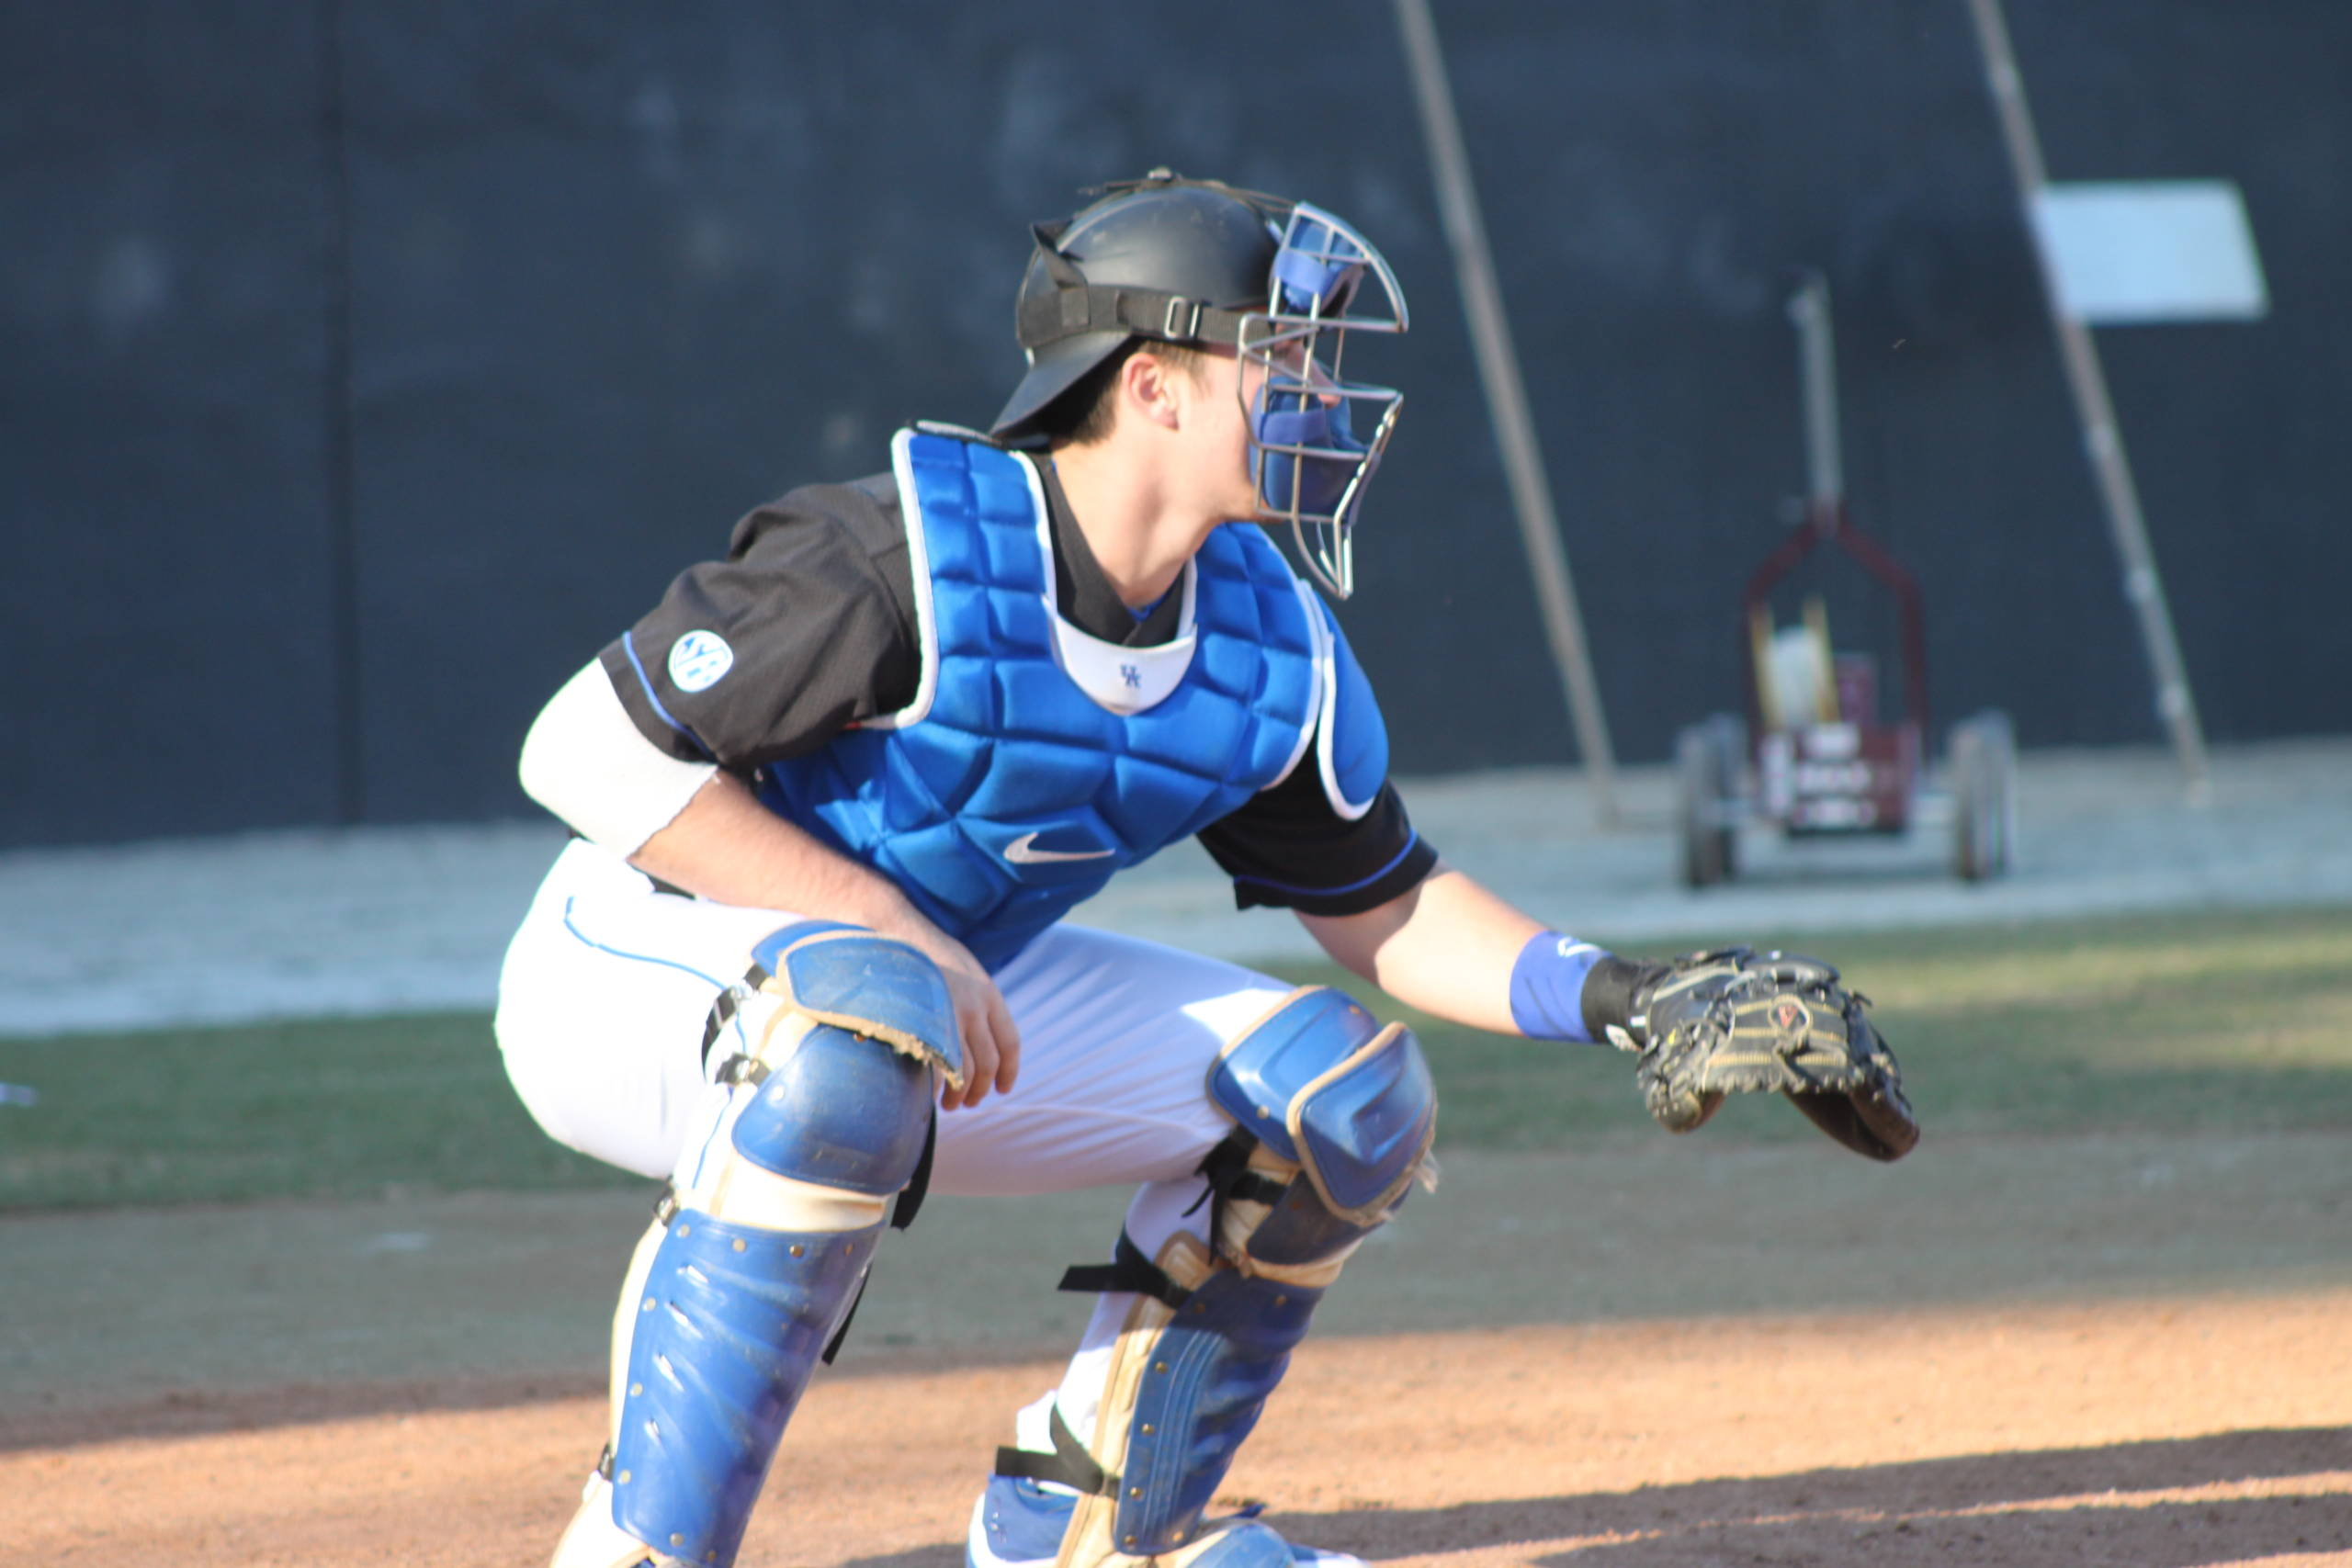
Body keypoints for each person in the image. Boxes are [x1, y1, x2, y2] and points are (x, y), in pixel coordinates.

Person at [494, 169, 1842, 1568]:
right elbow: (581, 750)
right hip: (633, 976)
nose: (1317, 393)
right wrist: (894, 923)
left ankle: (1080, 1526)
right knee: (858, 1022)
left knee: (1343, 1098)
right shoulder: (903, 550)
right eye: (1281, 357)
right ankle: (640, 1549)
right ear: (1153, 388)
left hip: (930, 1009)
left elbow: (1386, 905)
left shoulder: (1262, 639)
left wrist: (1631, 995)